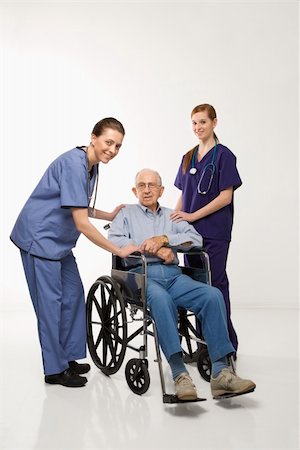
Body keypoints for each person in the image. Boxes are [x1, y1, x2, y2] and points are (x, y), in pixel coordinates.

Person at [10, 117, 138, 388]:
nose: (112, 150)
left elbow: (79, 205)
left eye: (118, 146)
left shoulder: (91, 166)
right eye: (108, 142)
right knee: (50, 304)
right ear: (93, 138)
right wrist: (118, 249)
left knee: (73, 295)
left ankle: (67, 357)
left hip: (60, 243)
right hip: (40, 239)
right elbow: (81, 222)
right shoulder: (73, 164)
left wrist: (109, 214)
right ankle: (54, 370)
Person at [108, 168, 255, 401]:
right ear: (135, 190)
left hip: (174, 276)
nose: (147, 190)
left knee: (212, 295)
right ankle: (179, 374)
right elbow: (116, 241)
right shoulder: (126, 215)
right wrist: (155, 249)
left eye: (152, 185)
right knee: (162, 300)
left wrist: (166, 240)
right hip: (143, 277)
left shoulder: (172, 216)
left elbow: (195, 239)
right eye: (142, 186)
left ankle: (221, 372)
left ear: (161, 190)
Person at [171, 104, 242, 353]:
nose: (198, 127)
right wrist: (174, 221)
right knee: (196, 287)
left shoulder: (224, 155)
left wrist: (192, 215)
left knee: (215, 285)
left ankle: (225, 346)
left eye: (203, 122)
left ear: (214, 123)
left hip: (214, 232)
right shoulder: (188, 157)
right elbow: (184, 194)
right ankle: (204, 345)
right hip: (189, 235)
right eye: (194, 123)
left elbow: (225, 197)